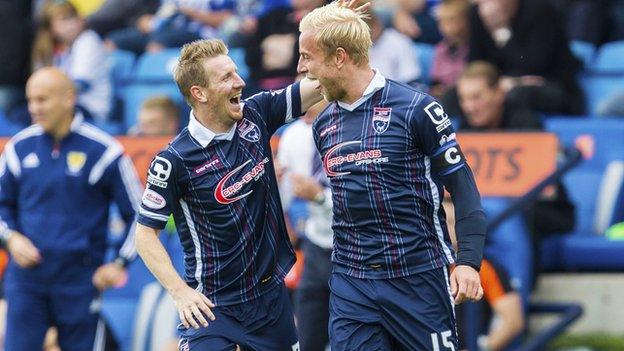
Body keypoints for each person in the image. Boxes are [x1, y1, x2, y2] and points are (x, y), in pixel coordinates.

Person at [297, 2, 486, 350]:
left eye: (308, 56)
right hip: (352, 282)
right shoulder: (323, 123)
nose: (301, 68)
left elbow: (463, 189)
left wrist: (468, 263)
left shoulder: (418, 109)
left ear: (339, 57)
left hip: (418, 278)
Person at [134, 38, 323, 350]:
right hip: (212, 307)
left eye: (235, 72)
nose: (241, 82)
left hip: (270, 301)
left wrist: (333, 30)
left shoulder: (257, 114)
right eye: (227, 77)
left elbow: (318, 85)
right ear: (200, 93)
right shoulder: (173, 160)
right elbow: (144, 235)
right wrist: (180, 292)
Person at [0, 67, 141, 350]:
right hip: (26, 279)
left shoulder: (104, 151)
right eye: (30, 100)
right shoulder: (18, 148)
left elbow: (141, 216)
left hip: (79, 280)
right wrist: (11, 238)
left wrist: (119, 263)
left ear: (68, 99)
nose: (33, 108)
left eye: (42, 100)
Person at [278, 100, 333, 351]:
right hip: (315, 246)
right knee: (306, 340)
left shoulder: (354, 131)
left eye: (313, 92)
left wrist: (321, 198)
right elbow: (284, 196)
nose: (304, 103)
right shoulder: (294, 135)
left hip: (355, 250)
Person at [32, 0, 113, 122]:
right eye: (63, 20)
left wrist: (48, 97)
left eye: (72, 18)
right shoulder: (49, 49)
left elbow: (80, 84)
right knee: (21, 114)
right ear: (51, 26)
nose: (71, 25)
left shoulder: (88, 39)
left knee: (46, 112)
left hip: (90, 109)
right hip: (61, 104)